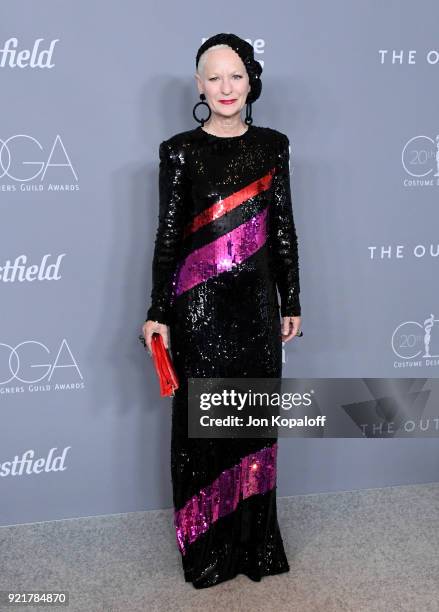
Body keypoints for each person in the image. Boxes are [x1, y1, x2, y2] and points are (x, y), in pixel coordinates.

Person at [141, 32, 302, 589]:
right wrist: (158, 310)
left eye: (235, 75)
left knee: (253, 423)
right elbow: (167, 236)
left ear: (251, 80)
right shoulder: (179, 150)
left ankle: (256, 547)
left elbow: (283, 229)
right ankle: (206, 550)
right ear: (198, 85)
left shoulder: (274, 146)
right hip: (198, 310)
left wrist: (292, 298)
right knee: (204, 429)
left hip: (256, 309)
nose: (226, 87)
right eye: (214, 76)